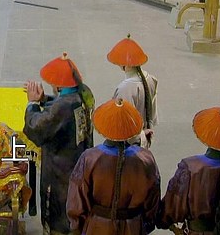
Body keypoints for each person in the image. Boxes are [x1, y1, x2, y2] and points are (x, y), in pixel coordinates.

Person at [24, 52, 95, 235]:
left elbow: (36, 128)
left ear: (58, 85)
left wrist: (33, 104)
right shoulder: (84, 93)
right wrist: (44, 100)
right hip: (79, 163)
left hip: (60, 172)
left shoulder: (63, 106)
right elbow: (59, 107)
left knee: (59, 215)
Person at [67, 98, 161, 234]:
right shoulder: (145, 159)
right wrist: (144, 225)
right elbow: (153, 201)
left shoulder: (90, 158)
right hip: (133, 227)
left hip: (97, 227)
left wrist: (77, 226)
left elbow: (76, 201)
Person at [108, 35, 158, 148]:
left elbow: (124, 121)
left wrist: (138, 136)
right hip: (145, 134)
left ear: (124, 65)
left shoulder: (124, 88)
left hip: (130, 142)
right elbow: (153, 114)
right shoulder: (151, 79)